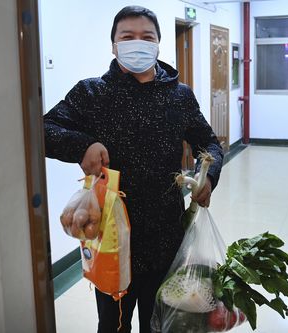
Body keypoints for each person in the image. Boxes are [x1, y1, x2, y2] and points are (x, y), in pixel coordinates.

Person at [43, 5, 223, 333]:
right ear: (113, 45)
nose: (137, 43)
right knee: (113, 325)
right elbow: (43, 130)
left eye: (147, 37)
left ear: (158, 45)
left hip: (166, 237)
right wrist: (82, 145)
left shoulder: (180, 97)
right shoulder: (91, 93)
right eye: (127, 37)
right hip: (109, 237)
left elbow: (209, 144)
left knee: (161, 324)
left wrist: (207, 175)